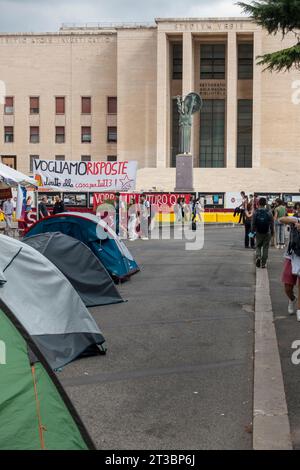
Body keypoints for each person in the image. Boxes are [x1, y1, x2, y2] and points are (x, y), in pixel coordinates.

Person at [279, 205, 300, 321]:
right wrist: (294, 220)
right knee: (287, 286)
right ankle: (292, 299)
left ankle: (299, 310)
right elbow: (281, 220)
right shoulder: (295, 219)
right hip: (291, 255)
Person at [252, 197, 274, 268]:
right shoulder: (269, 212)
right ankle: (263, 263)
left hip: (258, 232)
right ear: (265, 203)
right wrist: (272, 231)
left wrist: (252, 231)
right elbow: (272, 223)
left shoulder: (256, 212)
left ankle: (258, 257)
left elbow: (253, 223)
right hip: (267, 232)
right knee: (265, 247)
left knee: (258, 245)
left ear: (258, 203)